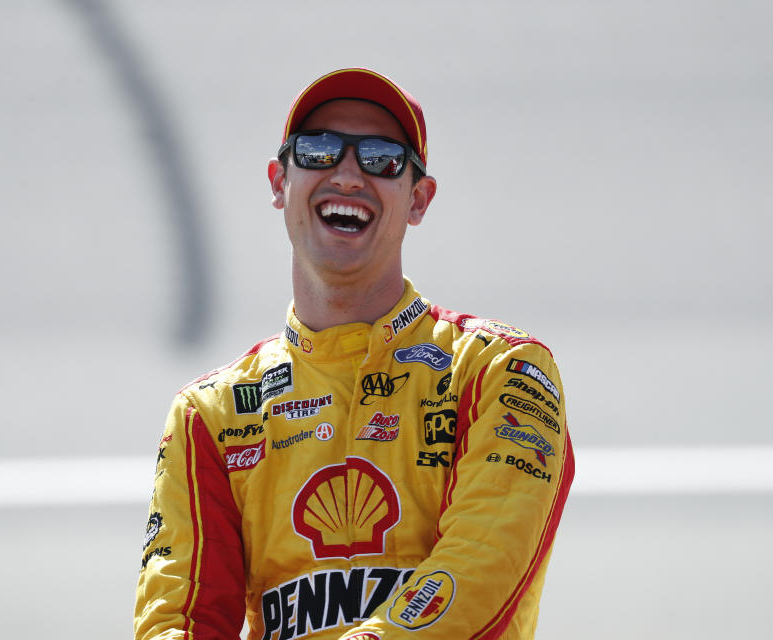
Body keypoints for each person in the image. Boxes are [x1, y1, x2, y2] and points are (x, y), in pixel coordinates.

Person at [134, 67, 574, 640]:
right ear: (278, 183)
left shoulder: (502, 373)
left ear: (418, 199)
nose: (346, 174)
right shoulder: (213, 415)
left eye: (381, 157)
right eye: (317, 152)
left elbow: (477, 574)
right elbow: (177, 620)